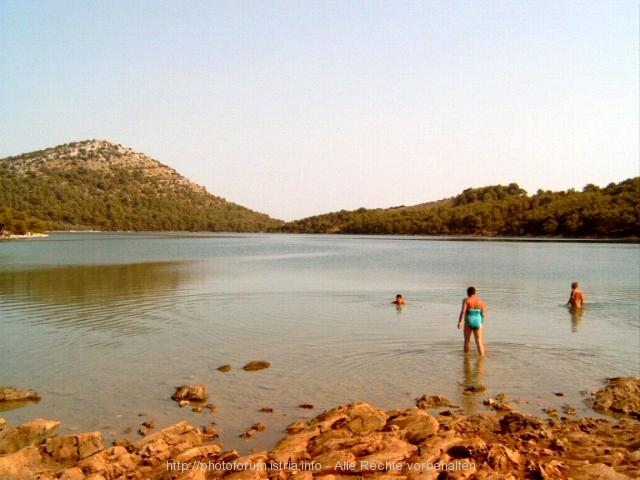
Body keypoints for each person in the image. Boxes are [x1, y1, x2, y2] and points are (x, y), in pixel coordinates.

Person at [458, 286, 487, 356]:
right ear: (475, 292)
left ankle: (466, 358)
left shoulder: (466, 300)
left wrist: (460, 322)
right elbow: (483, 314)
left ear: (468, 293)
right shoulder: (481, 301)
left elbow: (463, 312)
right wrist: (481, 322)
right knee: (479, 341)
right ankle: (482, 357)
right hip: (478, 321)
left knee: (467, 341)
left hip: (469, 321)